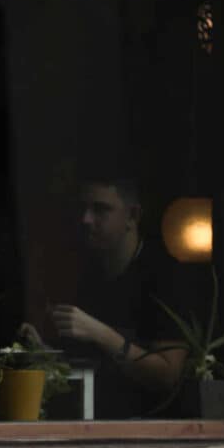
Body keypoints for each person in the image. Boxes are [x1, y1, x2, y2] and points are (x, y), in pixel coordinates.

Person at [49, 173, 189, 419]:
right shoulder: (90, 277)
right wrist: (42, 353)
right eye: (83, 209)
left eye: (100, 210)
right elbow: (85, 366)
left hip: (154, 431)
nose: (86, 219)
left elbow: (167, 375)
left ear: (132, 216)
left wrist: (99, 332)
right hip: (97, 424)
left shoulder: (165, 277)